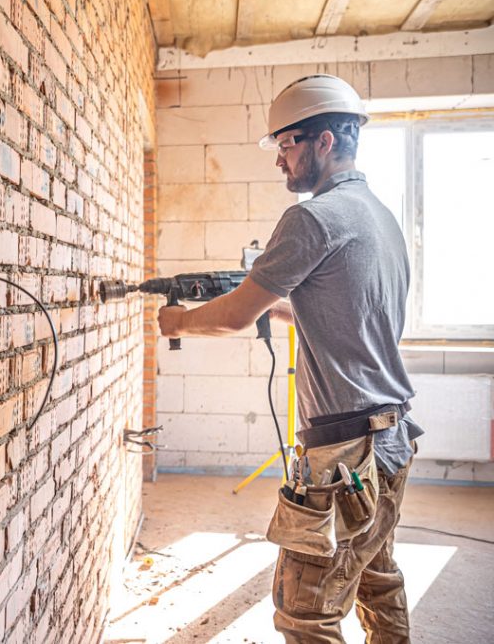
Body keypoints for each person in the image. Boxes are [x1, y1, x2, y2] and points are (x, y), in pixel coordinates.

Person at [157, 73, 424, 643]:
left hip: (345, 456)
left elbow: (230, 316)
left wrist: (177, 321)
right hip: (392, 439)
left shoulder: (311, 218)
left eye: (286, 144)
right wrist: (279, 311)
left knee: (305, 612)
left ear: (324, 141)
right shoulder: (380, 216)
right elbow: (349, 314)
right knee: (376, 578)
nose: (280, 160)